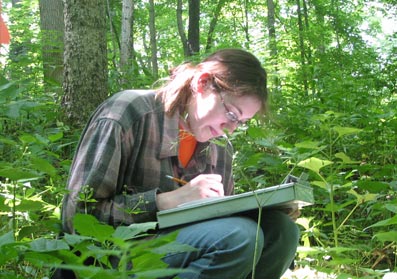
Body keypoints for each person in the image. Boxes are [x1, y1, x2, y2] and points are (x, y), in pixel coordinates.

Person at [61, 48, 300, 279]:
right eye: (231, 114)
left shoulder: (220, 148)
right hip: (109, 258)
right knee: (239, 236)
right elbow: (77, 216)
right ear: (202, 83)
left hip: (176, 253)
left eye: (241, 122)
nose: (231, 128)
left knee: (282, 231)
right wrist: (165, 202)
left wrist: (264, 209)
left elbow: (221, 228)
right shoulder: (129, 112)